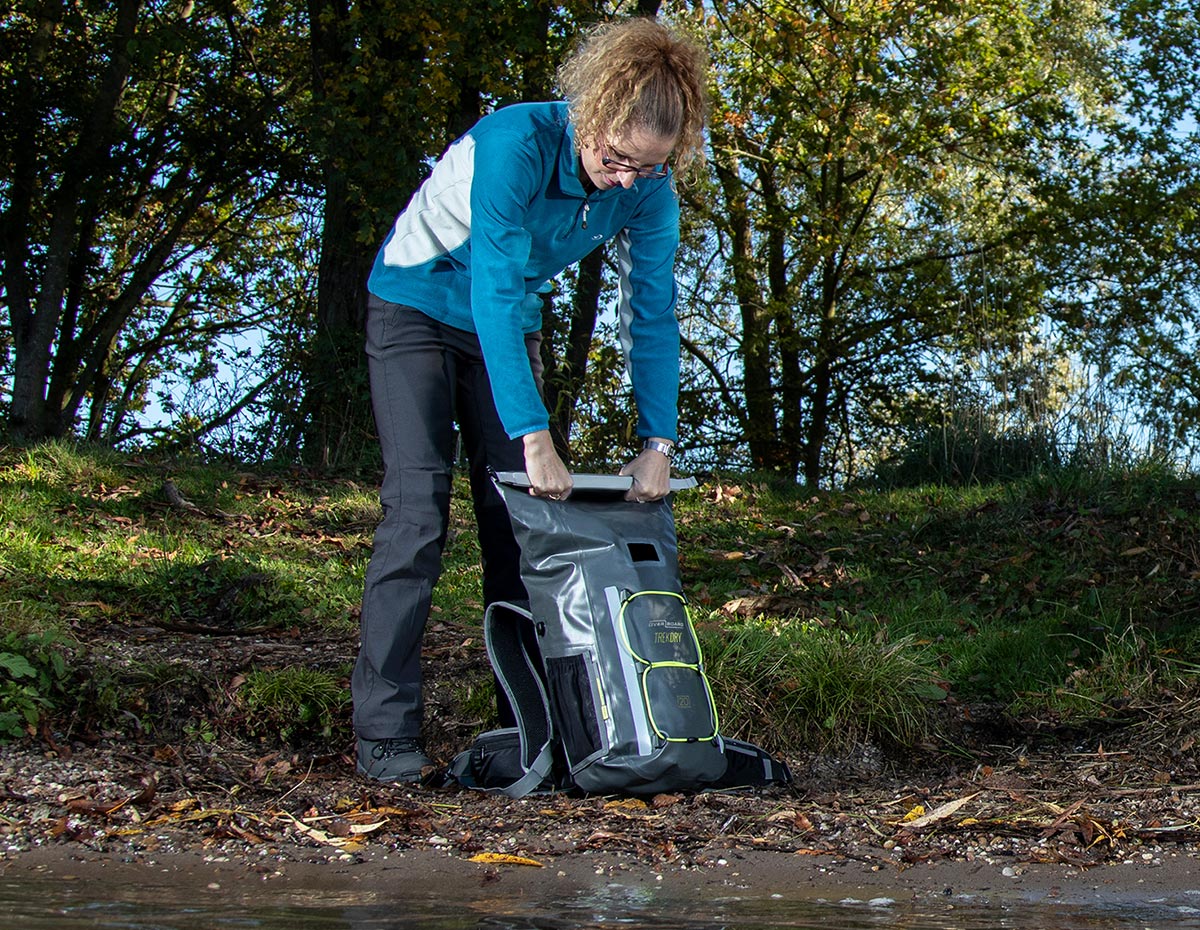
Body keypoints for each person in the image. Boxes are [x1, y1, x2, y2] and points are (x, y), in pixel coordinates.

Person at [352, 17, 710, 782]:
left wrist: (659, 444)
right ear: (589, 116)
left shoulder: (647, 189)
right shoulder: (516, 143)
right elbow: (491, 284)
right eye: (615, 159)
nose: (624, 180)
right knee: (418, 513)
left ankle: (527, 731)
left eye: (645, 170)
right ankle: (385, 735)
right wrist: (532, 432)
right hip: (416, 306)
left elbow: (651, 310)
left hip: (506, 321)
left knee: (519, 528)